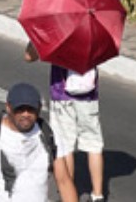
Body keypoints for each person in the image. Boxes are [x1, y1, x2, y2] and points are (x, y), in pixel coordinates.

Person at [0, 83, 78, 202]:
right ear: (8, 107)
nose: (26, 114)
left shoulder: (49, 135)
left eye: (31, 109)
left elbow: (64, 181)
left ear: (39, 108)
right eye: (20, 109)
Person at [25, 44, 105, 202]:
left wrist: (35, 37)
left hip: (62, 95)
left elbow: (29, 57)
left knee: (64, 145)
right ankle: (98, 195)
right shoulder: (92, 28)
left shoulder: (57, 30)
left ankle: (68, 194)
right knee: (94, 145)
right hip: (89, 96)